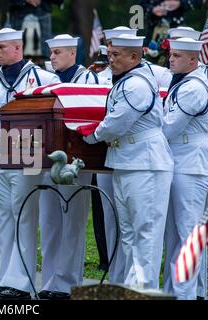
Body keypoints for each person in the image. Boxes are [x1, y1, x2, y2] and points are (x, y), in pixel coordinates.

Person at [83, 34, 174, 289]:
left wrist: (90, 136)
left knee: (146, 232)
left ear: (134, 56)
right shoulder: (126, 81)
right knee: (129, 233)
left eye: (116, 55)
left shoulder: (137, 85)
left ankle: (142, 291)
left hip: (146, 164)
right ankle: (130, 289)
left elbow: (116, 123)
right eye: (109, 54)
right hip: (126, 161)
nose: (110, 60)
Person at [0, 28, 60, 300]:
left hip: (29, 159)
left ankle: (21, 283)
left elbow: (52, 114)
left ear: (17, 48)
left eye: (2, 47)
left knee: (24, 217)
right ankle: (6, 280)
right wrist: (11, 137)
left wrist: (22, 140)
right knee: (4, 219)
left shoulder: (43, 78)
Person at [38, 34, 99, 300]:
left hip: (77, 161)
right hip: (48, 158)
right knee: (49, 223)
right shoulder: (45, 79)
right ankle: (49, 280)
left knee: (72, 222)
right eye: (51, 53)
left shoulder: (88, 79)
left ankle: (67, 284)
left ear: (73, 54)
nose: (52, 58)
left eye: (58, 53)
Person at [161, 37, 208, 300]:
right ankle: (174, 291)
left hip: (190, 163)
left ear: (193, 60)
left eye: (178, 56)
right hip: (176, 160)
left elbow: (169, 126)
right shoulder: (181, 84)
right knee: (173, 234)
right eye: (171, 54)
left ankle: (187, 295)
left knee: (187, 233)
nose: (171, 59)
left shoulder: (194, 88)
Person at [99, 26, 172, 88]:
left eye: (112, 44)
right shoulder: (101, 75)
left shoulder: (159, 73)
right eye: (107, 44)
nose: (108, 49)